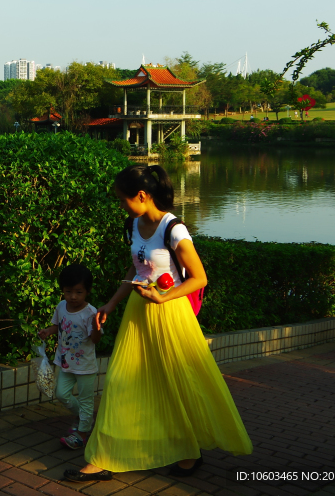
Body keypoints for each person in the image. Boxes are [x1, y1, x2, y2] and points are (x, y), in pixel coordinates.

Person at [64, 164, 252, 483]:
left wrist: (165, 298)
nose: (120, 204)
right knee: (121, 381)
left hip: (170, 316)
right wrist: (111, 302)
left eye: (123, 199)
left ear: (142, 195)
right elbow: (137, 268)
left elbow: (199, 278)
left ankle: (190, 452)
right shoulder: (134, 224)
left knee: (177, 384)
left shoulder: (173, 228)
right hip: (139, 314)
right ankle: (103, 457)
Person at [37, 263, 102, 450]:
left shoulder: (90, 313)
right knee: (61, 394)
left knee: (86, 400)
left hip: (85, 366)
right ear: (63, 291)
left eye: (78, 292)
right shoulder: (61, 307)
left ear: (87, 291)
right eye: (68, 292)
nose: (73, 297)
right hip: (65, 362)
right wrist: (48, 331)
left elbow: (95, 339)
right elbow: (58, 325)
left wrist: (97, 327)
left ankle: (81, 434)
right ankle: (84, 418)